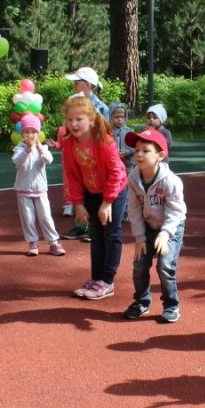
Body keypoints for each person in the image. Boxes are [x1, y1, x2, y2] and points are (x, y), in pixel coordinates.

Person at [62, 95, 128, 300]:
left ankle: (107, 281)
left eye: (79, 119)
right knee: (96, 236)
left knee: (111, 234)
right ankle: (96, 278)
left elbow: (116, 173)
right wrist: (78, 204)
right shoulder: (69, 144)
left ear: (91, 120)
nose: (73, 124)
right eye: (70, 119)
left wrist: (108, 202)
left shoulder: (104, 141)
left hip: (114, 190)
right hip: (91, 192)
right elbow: (71, 176)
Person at [123, 129, 187, 323]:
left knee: (165, 266)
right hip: (148, 227)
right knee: (139, 266)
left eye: (145, 150)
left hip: (171, 228)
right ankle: (142, 302)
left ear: (160, 156)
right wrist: (140, 237)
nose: (139, 154)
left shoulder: (171, 182)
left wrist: (165, 234)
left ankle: (171, 304)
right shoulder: (134, 177)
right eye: (136, 151)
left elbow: (176, 212)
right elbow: (133, 209)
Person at [13, 114, 65, 257]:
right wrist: (27, 149)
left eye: (34, 132)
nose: (30, 135)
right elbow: (17, 161)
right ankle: (32, 243)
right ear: (22, 133)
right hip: (23, 190)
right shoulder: (19, 148)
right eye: (27, 132)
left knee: (46, 217)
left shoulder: (43, 149)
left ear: (38, 133)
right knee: (28, 218)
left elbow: (48, 160)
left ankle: (53, 242)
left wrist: (39, 148)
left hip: (40, 190)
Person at [109, 103, 135, 171]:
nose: (120, 119)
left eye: (122, 117)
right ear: (110, 117)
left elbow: (135, 147)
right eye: (117, 117)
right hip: (113, 164)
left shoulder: (129, 131)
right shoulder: (107, 131)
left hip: (128, 165)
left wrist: (127, 152)